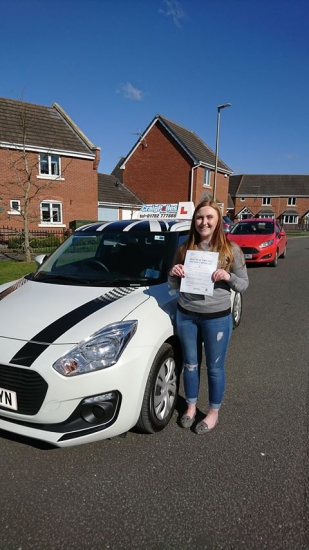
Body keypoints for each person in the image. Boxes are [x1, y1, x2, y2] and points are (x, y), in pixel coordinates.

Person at [168, 199, 249, 434]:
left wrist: (227, 277)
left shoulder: (230, 250)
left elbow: (243, 284)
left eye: (209, 217)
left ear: (218, 220)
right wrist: (174, 273)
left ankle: (213, 412)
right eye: (200, 217)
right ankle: (191, 408)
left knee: (214, 368)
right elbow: (172, 284)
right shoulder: (184, 249)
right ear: (194, 221)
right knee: (191, 366)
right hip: (187, 315)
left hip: (217, 317)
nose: (204, 222)